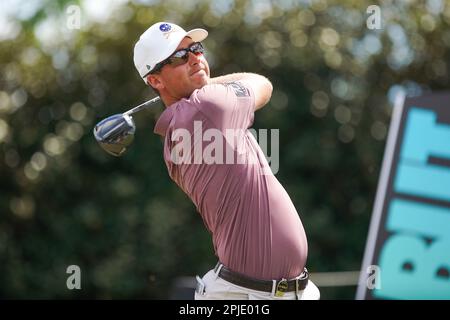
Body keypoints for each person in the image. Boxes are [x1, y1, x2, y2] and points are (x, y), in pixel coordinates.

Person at [133, 22, 320, 300]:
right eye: (179, 57)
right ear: (156, 80)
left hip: (283, 292)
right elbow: (262, 84)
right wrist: (208, 83)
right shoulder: (207, 105)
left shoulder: (176, 131)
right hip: (244, 296)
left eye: (195, 49)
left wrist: (197, 83)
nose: (195, 58)